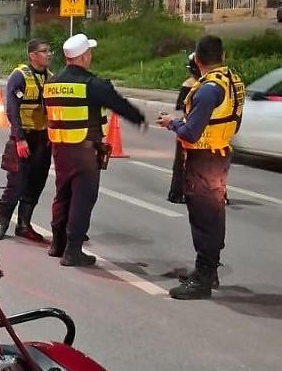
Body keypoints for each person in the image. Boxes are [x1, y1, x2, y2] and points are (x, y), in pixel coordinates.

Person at [43, 34, 146, 267]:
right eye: (89, 53)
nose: (90, 57)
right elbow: (119, 104)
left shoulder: (52, 83)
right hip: (84, 150)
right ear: (84, 57)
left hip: (60, 149)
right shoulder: (92, 84)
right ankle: (73, 251)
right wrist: (139, 119)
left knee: (62, 195)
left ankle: (57, 244)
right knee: (83, 198)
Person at [158, 35, 245, 300]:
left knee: (204, 218)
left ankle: (203, 279)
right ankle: (208, 271)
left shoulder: (208, 89)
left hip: (204, 160)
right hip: (219, 153)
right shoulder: (231, 80)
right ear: (223, 56)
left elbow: (191, 132)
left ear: (196, 59)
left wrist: (171, 123)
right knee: (213, 215)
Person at [0, 39, 54, 241]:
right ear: (32, 55)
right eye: (44, 51)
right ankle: (1, 223)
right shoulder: (19, 76)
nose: (49, 54)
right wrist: (20, 138)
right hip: (24, 137)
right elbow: (12, 109)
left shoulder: (51, 78)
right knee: (16, 183)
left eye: (49, 50)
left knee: (37, 183)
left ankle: (24, 225)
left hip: (43, 139)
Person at [167, 53, 200, 204]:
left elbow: (180, 108)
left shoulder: (189, 84)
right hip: (203, 128)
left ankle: (178, 193)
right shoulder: (212, 84)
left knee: (182, 162)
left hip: (188, 126)